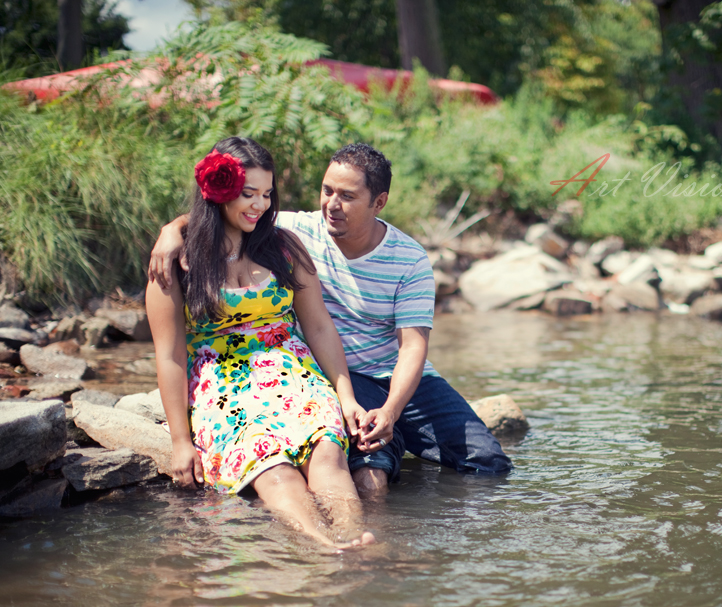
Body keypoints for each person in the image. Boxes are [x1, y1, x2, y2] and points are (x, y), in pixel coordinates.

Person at [149, 143, 513, 498]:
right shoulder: (296, 229)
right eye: (327, 191)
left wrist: (391, 411)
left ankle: (402, 444)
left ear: (379, 202)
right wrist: (172, 231)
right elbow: (225, 209)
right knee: (372, 476)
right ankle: (370, 522)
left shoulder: (409, 259)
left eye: (347, 196)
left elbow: (413, 347)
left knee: (490, 463)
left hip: (399, 379)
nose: (331, 205)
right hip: (338, 375)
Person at [146, 136, 375, 548]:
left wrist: (347, 398)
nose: (260, 205)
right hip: (223, 384)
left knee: (326, 452)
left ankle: (354, 537)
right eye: (248, 193)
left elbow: (319, 326)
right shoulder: (178, 261)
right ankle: (325, 546)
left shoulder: (284, 247)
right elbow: (169, 354)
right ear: (218, 192)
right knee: (273, 468)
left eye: (267, 194)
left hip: (293, 371)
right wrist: (180, 441)